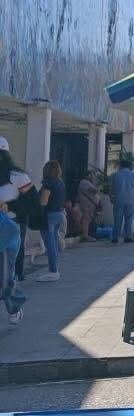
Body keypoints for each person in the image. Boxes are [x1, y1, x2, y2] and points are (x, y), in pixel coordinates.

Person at [0, 136, 31, 324]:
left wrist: (9, 208)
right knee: (6, 273)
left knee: (6, 273)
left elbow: (30, 204)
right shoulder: (18, 176)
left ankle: (14, 307)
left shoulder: (18, 177)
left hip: (9, 229)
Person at [36, 161, 67, 282]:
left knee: (50, 244)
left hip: (48, 215)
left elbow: (43, 201)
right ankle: (55, 269)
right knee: (53, 242)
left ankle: (53, 271)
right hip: (59, 214)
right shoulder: (60, 183)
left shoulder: (48, 183)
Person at [109, 156, 134, 244]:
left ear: (120, 166)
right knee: (129, 219)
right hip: (131, 200)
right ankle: (128, 237)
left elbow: (110, 187)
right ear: (130, 167)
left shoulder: (115, 175)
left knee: (117, 219)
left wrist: (111, 197)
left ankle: (115, 237)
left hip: (118, 199)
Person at [75, 171, 101, 241]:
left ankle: (86, 234)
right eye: (92, 175)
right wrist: (98, 187)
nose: (93, 176)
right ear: (88, 175)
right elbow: (94, 190)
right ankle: (85, 235)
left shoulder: (88, 182)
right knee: (86, 220)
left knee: (88, 220)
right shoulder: (84, 182)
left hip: (90, 205)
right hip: (86, 205)